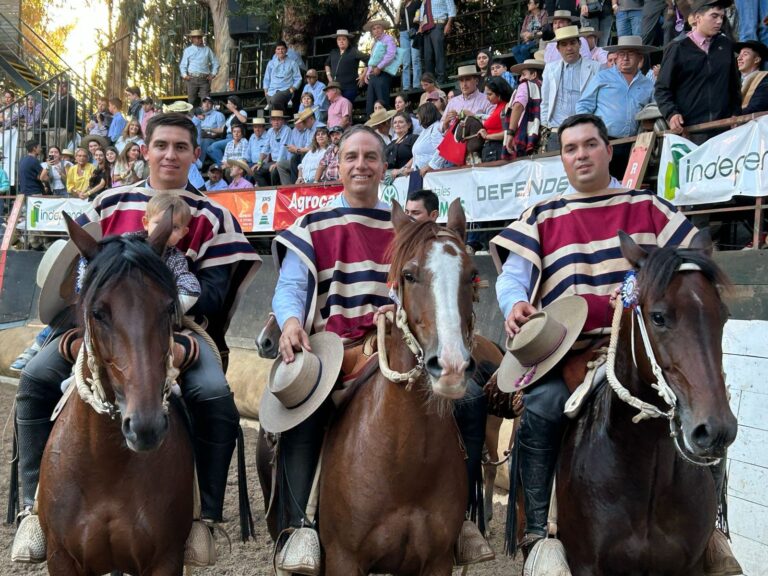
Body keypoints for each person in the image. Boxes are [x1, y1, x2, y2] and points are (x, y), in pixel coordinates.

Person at [489, 112, 739, 574]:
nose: (580, 155)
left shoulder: (648, 207)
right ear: (561, 158)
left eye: (589, 145)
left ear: (609, 150)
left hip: (650, 350)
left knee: (705, 405)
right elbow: (512, 277)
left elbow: (694, 258)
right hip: (570, 352)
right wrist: (513, 304)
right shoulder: (542, 215)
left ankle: (712, 531)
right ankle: (541, 533)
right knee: (541, 409)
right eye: (570, 148)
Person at [12, 112, 261, 566]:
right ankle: (33, 507)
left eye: (181, 147)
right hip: (99, 331)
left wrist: (173, 327)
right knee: (33, 379)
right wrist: (77, 332)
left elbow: (217, 289)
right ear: (142, 150)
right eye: (161, 145)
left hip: (183, 331)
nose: (170, 154)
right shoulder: (107, 203)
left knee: (214, 394)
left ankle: (203, 516)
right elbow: (78, 274)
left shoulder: (215, 216)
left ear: (195, 155)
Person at [269, 123, 493, 573]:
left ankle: (463, 520)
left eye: (370, 157)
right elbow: (293, 284)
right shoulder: (313, 223)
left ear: (384, 166)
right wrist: (292, 319)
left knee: (469, 401)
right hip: (335, 345)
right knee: (304, 410)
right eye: (351, 157)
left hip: (398, 343)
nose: (361, 165)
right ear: (339, 163)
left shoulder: (406, 228)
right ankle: (300, 527)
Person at [654, 0, 741, 144]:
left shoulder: (725, 45)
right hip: (690, 132)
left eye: (721, 16)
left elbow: (734, 85)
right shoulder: (677, 48)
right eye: (714, 16)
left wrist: (735, 113)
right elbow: (662, 88)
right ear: (697, 18)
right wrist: (672, 114)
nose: (719, 21)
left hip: (724, 130)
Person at [576, 35, 656, 174]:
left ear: (640, 58)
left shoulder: (648, 84)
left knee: (627, 185)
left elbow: (654, 110)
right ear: (616, 57)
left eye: (630, 54)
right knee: (602, 183)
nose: (625, 58)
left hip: (635, 144)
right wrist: (587, 133)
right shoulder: (602, 77)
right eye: (621, 54)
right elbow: (584, 105)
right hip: (604, 141)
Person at [541, 25, 601, 151]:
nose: (569, 48)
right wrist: (546, 125)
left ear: (580, 44)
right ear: (558, 48)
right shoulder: (550, 69)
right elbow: (545, 101)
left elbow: (600, 100)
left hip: (585, 129)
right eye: (564, 44)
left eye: (573, 43)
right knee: (556, 169)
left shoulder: (596, 68)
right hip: (557, 131)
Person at [503, 58, 544, 159]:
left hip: (525, 138)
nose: (521, 78)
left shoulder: (525, 85)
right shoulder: (546, 87)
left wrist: (511, 133)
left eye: (524, 74)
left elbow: (518, 106)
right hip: (543, 136)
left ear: (533, 75)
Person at [441, 65, 495, 132]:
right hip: (453, 140)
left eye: (467, 79)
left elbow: (493, 123)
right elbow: (441, 127)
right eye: (461, 81)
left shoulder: (487, 99)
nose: (464, 84)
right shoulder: (453, 101)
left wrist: (473, 116)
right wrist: (445, 122)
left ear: (476, 81)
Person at [363, 19, 399, 115]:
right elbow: (372, 59)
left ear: (383, 29)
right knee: (370, 104)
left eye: (378, 27)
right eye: (374, 29)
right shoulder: (374, 43)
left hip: (383, 73)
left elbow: (391, 54)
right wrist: (367, 73)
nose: (376, 30)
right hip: (374, 75)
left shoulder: (388, 39)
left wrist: (379, 67)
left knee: (382, 102)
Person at [324, 29, 369, 104]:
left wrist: (363, 75)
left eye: (344, 39)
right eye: (339, 39)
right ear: (337, 41)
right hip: (335, 88)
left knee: (346, 108)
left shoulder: (353, 51)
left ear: (348, 41)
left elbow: (368, 59)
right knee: (336, 110)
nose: (341, 41)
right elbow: (327, 64)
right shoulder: (333, 52)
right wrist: (329, 77)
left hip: (349, 87)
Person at [477, 76, 514, 162]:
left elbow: (507, 133)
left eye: (490, 94)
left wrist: (487, 136)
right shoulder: (498, 107)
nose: (487, 97)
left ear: (499, 93)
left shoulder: (506, 107)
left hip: (496, 150)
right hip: (492, 150)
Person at [418, 0, 456, 84]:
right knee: (428, 56)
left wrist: (448, 24)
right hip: (426, 28)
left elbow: (451, 9)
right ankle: (430, 81)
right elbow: (421, 14)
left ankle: (441, 79)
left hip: (438, 25)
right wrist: (420, 26)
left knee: (439, 53)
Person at [180, 29, 219, 105]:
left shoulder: (207, 50)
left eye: (199, 37)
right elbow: (183, 65)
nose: (198, 39)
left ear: (202, 38)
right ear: (192, 39)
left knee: (206, 101)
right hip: (191, 79)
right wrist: (185, 75)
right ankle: (192, 116)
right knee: (191, 101)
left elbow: (215, 62)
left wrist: (213, 74)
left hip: (204, 79)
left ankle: (206, 116)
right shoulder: (188, 50)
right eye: (195, 37)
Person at [280, 108, 318, 185]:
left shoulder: (318, 128)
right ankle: (292, 186)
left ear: (311, 119)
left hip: (317, 156)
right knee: (291, 160)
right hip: (308, 155)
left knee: (295, 159)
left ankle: (295, 185)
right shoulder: (309, 129)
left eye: (304, 121)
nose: (303, 124)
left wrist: (297, 150)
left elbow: (314, 149)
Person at [254, 110, 291, 186]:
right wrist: (260, 162)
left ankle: (275, 192)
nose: (276, 122)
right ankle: (265, 191)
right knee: (257, 171)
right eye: (274, 120)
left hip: (284, 161)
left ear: (282, 121)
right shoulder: (270, 131)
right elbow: (265, 147)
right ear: (271, 121)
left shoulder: (287, 130)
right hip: (274, 161)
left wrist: (277, 163)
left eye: (278, 119)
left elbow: (283, 148)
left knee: (274, 171)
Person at [206, 96, 248, 165]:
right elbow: (221, 130)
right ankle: (223, 163)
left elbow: (243, 120)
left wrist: (234, 110)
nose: (227, 105)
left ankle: (223, 165)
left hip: (234, 137)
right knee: (208, 149)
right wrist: (208, 129)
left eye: (229, 103)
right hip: (227, 137)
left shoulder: (242, 112)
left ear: (235, 105)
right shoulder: (231, 116)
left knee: (214, 146)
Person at [264, 40, 302, 112]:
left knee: (274, 100)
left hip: (286, 90)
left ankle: (279, 118)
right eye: (278, 49)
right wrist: (266, 92)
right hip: (271, 91)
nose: (280, 51)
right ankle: (279, 120)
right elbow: (266, 78)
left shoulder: (293, 63)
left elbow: (298, 78)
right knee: (273, 102)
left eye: (282, 49)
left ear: (286, 50)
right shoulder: (271, 63)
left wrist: (292, 89)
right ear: (275, 51)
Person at [735, 40, 768, 114]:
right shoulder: (734, 81)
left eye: (745, 54)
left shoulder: (764, 81)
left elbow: (757, 107)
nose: (739, 58)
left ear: (757, 60)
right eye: (739, 54)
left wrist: (733, 116)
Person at [397, 0, 422, 90]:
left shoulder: (416, 3)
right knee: (405, 62)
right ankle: (406, 86)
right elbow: (397, 21)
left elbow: (421, 15)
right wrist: (399, 5)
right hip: (403, 34)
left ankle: (416, 84)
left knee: (415, 59)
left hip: (414, 31)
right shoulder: (402, 7)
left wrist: (420, 28)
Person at [513, 0, 548, 65]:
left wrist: (531, 35)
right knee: (514, 49)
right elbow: (521, 32)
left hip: (537, 40)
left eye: (529, 3)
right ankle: (524, 68)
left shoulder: (544, 14)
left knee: (523, 49)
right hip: (527, 41)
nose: (527, 5)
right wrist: (525, 36)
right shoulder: (528, 17)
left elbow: (544, 29)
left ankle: (528, 67)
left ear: (537, 5)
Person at [45, 79, 78, 148]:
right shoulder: (53, 99)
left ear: (68, 89)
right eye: (60, 86)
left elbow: (73, 116)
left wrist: (68, 130)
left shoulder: (71, 100)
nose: (61, 88)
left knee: (60, 150)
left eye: (64, 86)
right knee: (50, 150)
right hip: (51, 129)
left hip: (63, 130)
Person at [385, 111, 419, 177]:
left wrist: (401, 170)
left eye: (400, 122)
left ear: (409, 125)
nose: (397, 125)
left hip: (407, 176)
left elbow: (417, 155)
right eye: (395, 122)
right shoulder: (391, 143)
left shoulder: (413, 138)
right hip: (390, 178)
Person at [198, 96, 227, 164]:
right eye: (204, 102)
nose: (206, 104)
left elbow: (222, 131)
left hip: (215, 138)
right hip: (201, 137)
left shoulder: (218, 115)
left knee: (205, 141)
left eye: (209, 103)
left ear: (212, 105)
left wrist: (209, 135)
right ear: (202, 104)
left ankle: (199, 165)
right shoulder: (199, 115)